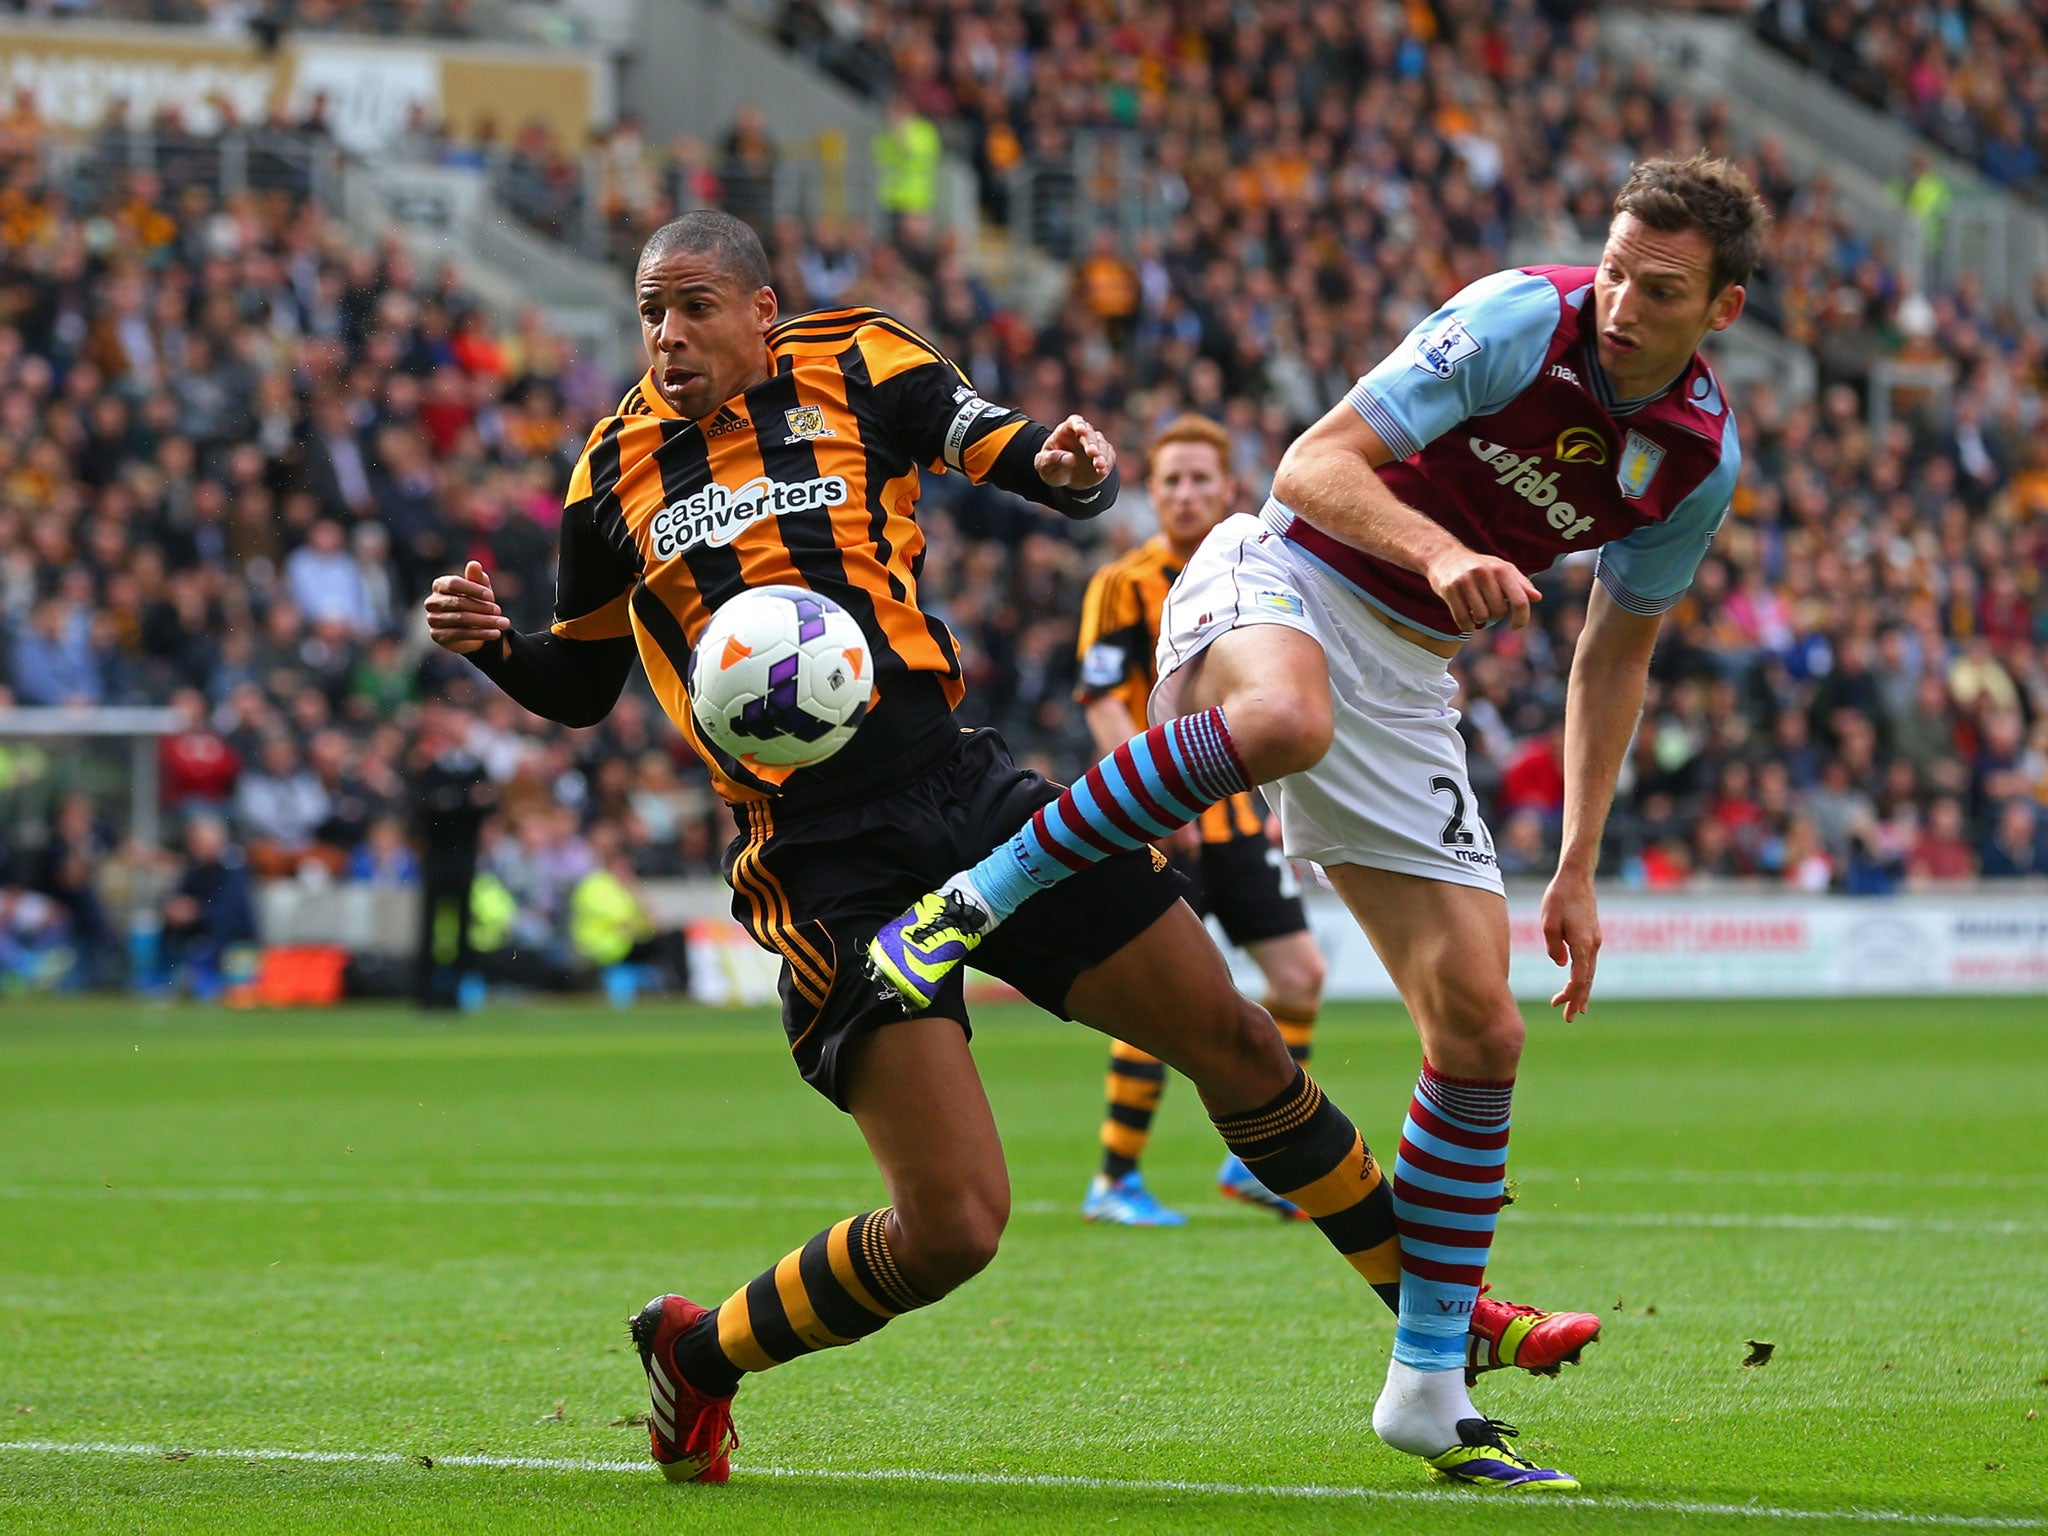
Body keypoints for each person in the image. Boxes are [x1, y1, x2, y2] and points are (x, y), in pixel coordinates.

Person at [425, 210, 1589, 1493]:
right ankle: (702, 1355)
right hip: (817, 859)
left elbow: (996, 443)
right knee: (954, 1229)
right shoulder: (606, 476)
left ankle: (1438, 1319)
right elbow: (581, 681)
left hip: (962, 789)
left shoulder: (857, 360)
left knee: (1239, 1042)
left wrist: (1072, 464)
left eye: (693, 305)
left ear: (761, 311)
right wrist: (493, 646)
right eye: (650, 309)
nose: (666, 333)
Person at [872, 153, 1767, 1483]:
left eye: (1664, 289)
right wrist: (1445, 551)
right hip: (1284, 568)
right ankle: (976, 897)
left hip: (1408, 674)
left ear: (1725, 311)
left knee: (1482, 1028)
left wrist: (1576, 865)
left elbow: (1611, 656)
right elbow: (1314, 461)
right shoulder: (1523, 316)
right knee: (1287, 722)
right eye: (1620, 268)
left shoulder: (1695, 463)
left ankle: (1424, 1388)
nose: (1624, 302)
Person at [1071, 414, 1326, 1227]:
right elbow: (1101, 698)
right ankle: (1115, 1180)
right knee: (1159, 1000)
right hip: (1158, 823)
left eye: (1199, 481)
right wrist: (1147, 794)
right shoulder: (1122, 582)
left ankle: (1257, 1163)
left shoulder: (1254, 577)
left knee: (1300, 976)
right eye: (1170, 481)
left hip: (1234, 826)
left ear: (1228, 490)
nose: (1185, 494)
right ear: (1152, 493)